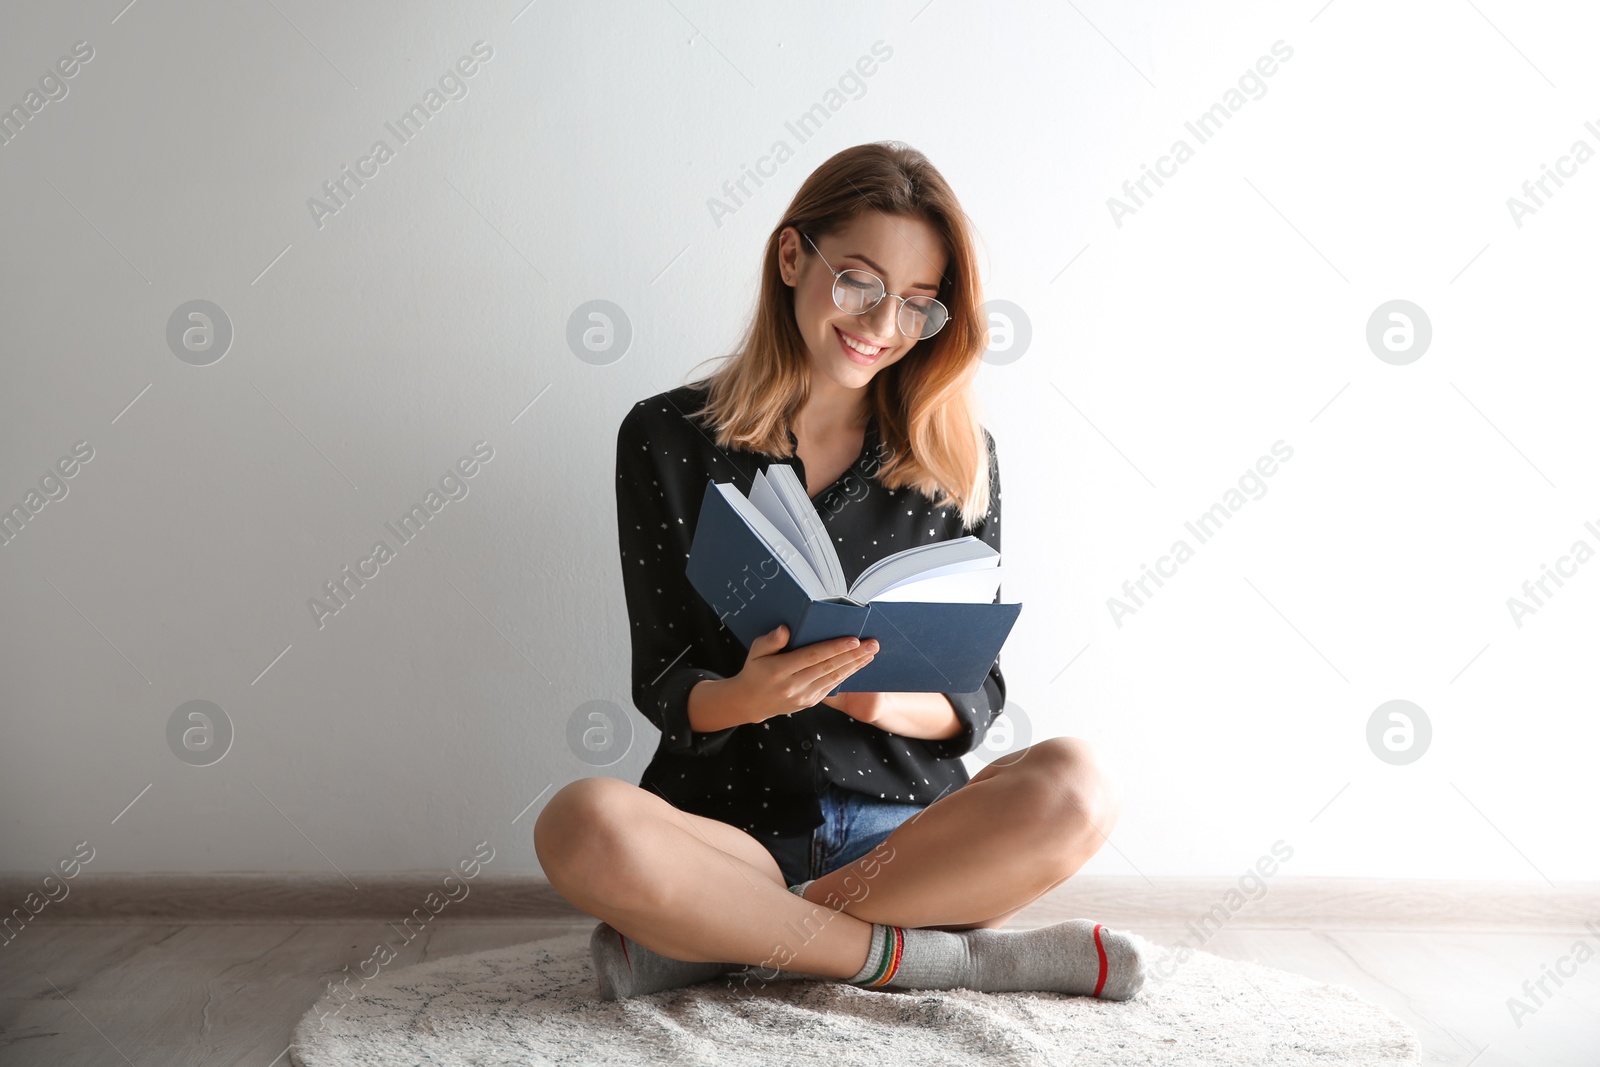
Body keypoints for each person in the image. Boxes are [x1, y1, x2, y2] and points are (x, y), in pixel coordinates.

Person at [535, 141, 1146, 1003]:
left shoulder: (959, 459)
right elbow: (666, 680)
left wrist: (877, 697)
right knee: (580, 823)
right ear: (793, 256)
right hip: (726, 830)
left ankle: (733, 938)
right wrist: (755, 693)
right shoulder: (665, 438)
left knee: (1082, 782)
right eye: (859, 282)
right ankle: (944, 961)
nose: (882, 325)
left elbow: (976, 697)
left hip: (911, 840)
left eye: (917, 306)